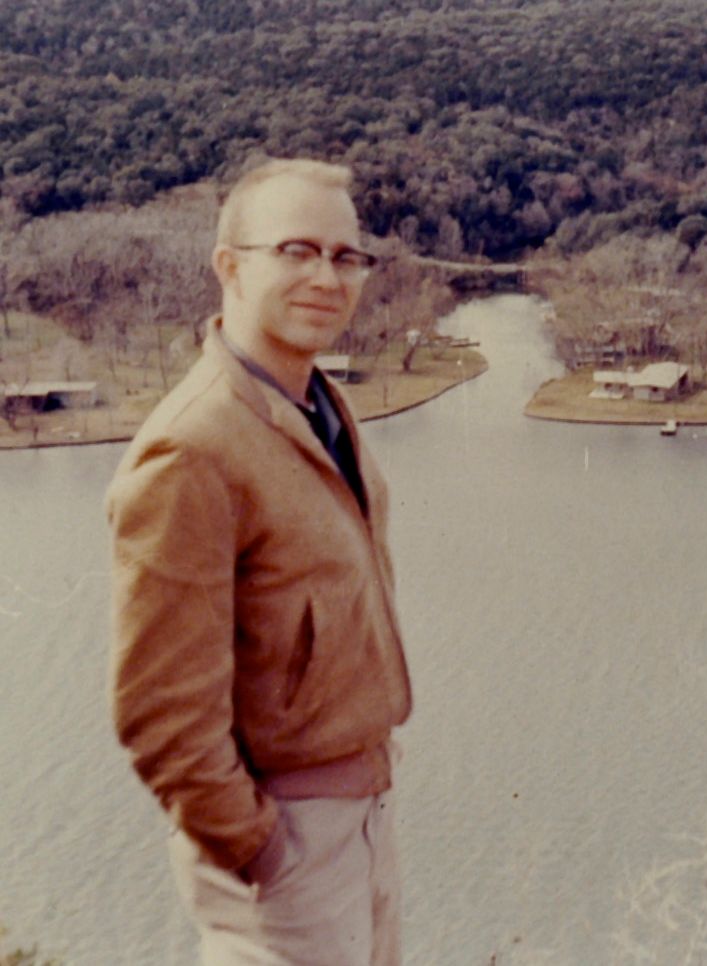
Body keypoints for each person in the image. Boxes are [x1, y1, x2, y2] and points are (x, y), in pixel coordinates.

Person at [106, 158, 412, 965]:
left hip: (360, 821)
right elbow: (161, 714)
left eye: (346, 256)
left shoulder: (317, 408)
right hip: (287, 851)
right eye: (296, 250)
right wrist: (262, 850)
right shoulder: (194, 448)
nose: (327, 277)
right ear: (230, 266)